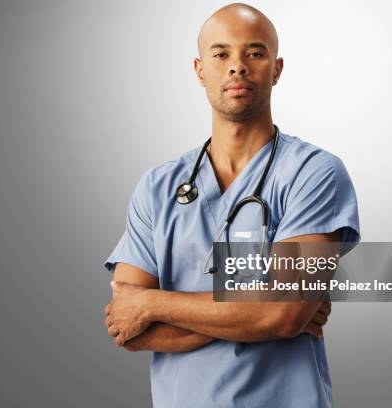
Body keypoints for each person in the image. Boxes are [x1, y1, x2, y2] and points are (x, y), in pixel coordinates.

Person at [103, 3, 360, 407]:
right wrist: (269, 312)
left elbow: (283, 313)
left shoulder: (314, 173)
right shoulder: (157, 187)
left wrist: (153, 303)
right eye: (221, 54)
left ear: (276, 69)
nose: (237, 67)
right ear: (199, 70)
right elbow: (130, 329)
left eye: (254, 53)